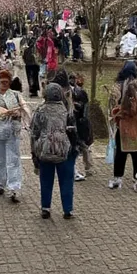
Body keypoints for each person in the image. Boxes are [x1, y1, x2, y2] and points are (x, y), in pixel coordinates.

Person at [30, 83, 78, 219]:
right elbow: (73, 132)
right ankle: (67, 210)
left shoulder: (40, 110)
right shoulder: (67, 110)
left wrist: (34, 152)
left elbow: (34, 133)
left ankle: (46, 208)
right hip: (64, 151)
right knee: (66, 180)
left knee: (45, 180)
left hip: (45, 151)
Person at [0, 69, 29, 204]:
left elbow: (25, 109)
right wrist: (2, 112)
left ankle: (13, 188)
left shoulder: (16, 95)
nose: (4, 83)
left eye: (6, 81)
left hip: (12, 131)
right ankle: (0, 184)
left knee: (13, 159)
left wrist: (18, 113)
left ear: (9, 82)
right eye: (2, 81)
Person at [108, 61, 137, 190]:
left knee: (120, 153)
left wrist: (116, 113)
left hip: (123, 125)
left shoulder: (118, 87)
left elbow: (112, 106)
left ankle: (117, 178)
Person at [71, 73, 94, 179]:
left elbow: (85, 107)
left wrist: (84, 121)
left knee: (83, 146)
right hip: (74, 122)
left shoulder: (80, 92)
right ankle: (82, 168)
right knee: (78, 147)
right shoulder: (67, 91)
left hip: (79, 123)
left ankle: (88, 167)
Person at [22, 34, 40, 98]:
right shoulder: (36, 50)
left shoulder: (27, 50)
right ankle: (35, 90)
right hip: (34, 65)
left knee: (30, 78)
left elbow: (23, 57)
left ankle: (32, 90)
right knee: (35, 78)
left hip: (29, 65)